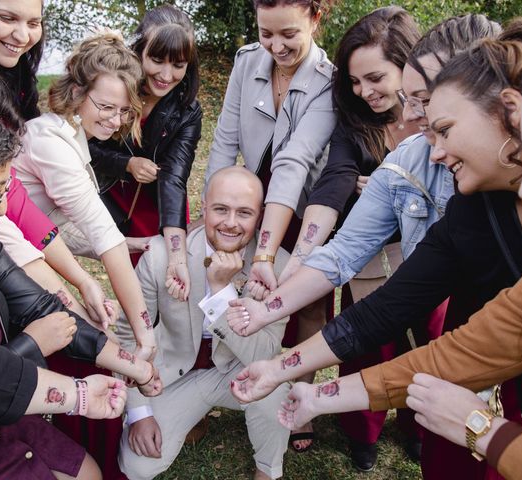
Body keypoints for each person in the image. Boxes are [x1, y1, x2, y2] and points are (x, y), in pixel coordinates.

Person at [230, 21, 522, 480]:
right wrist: (300, 382)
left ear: (509, 109)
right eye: (414, 103)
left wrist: (484, 430)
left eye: (437, 118)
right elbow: (425, 331)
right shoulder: (471, 209)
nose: (428, 140)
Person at [0, 92, 158, 479]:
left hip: (2, 408)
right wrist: (74, 392)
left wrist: (133, 365)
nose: (0, 209)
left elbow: (40, 307)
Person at [273, 6, 422, 466]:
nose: (365, 92)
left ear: (408, 64)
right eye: (356, 82)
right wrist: (300, 259)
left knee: (426, 343)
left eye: (375, 78)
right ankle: (364, 430)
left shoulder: (439, 118)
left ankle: (417, 425)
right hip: (369, 255)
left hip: (430, 255)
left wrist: (384, 183)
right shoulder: (356, 122)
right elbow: (333, 182)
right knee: (367, 341)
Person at [13, 32, 158, 478]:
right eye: (105, 106)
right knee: (94, 340)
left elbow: (53, 224)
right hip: (13, 269)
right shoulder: (51, 142)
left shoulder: (71, 133)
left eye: (123, 111)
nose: (115, 120)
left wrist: (127, 245)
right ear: (77, 92)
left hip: (31, 256)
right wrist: (142, 331)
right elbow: (98, 231)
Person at [204, 0, 335, 452]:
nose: (276, 46)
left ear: (315, 18)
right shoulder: (245, 63)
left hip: (302, 205)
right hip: (248, 198)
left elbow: (295, 161)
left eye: (289, 34)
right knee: (223, 283)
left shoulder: (329, 82)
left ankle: (300, 400)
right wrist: (213, 210)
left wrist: (264, 251)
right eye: (266, 33)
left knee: (310, 305)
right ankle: (216, 384)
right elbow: (223, 142)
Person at [0, 0, 117, 328]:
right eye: (6, 18)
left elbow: (11, 193)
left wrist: (79, 280)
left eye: (33, 23)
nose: (23, 35)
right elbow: (4, 202)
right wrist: (67, 288)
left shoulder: (14, 75)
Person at [117, 166, 291, 480]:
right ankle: (187, 416)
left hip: (239, 370)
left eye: (244, 213)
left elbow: (264, 356)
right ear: (204, 205)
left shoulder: (278, 265)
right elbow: (126, 334)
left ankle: (268, 469)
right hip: (174, 375)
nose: (231, 223)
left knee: (276, 388)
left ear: (260, 215)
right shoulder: (161, 256)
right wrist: (139, 411)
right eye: (221, 209)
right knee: (137, 466)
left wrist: (222, 293)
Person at [89, 4, 202, 302]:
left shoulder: (187, 111)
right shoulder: (112, 87)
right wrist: (126, 164)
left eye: (178, 64)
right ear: (139, 51)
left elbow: (174, 177)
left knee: (168, 282)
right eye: (156, 60)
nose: (167, 75)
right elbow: (84, 147)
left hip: (163, 207)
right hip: (115, 200)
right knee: (131, 287)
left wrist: (177, 255)